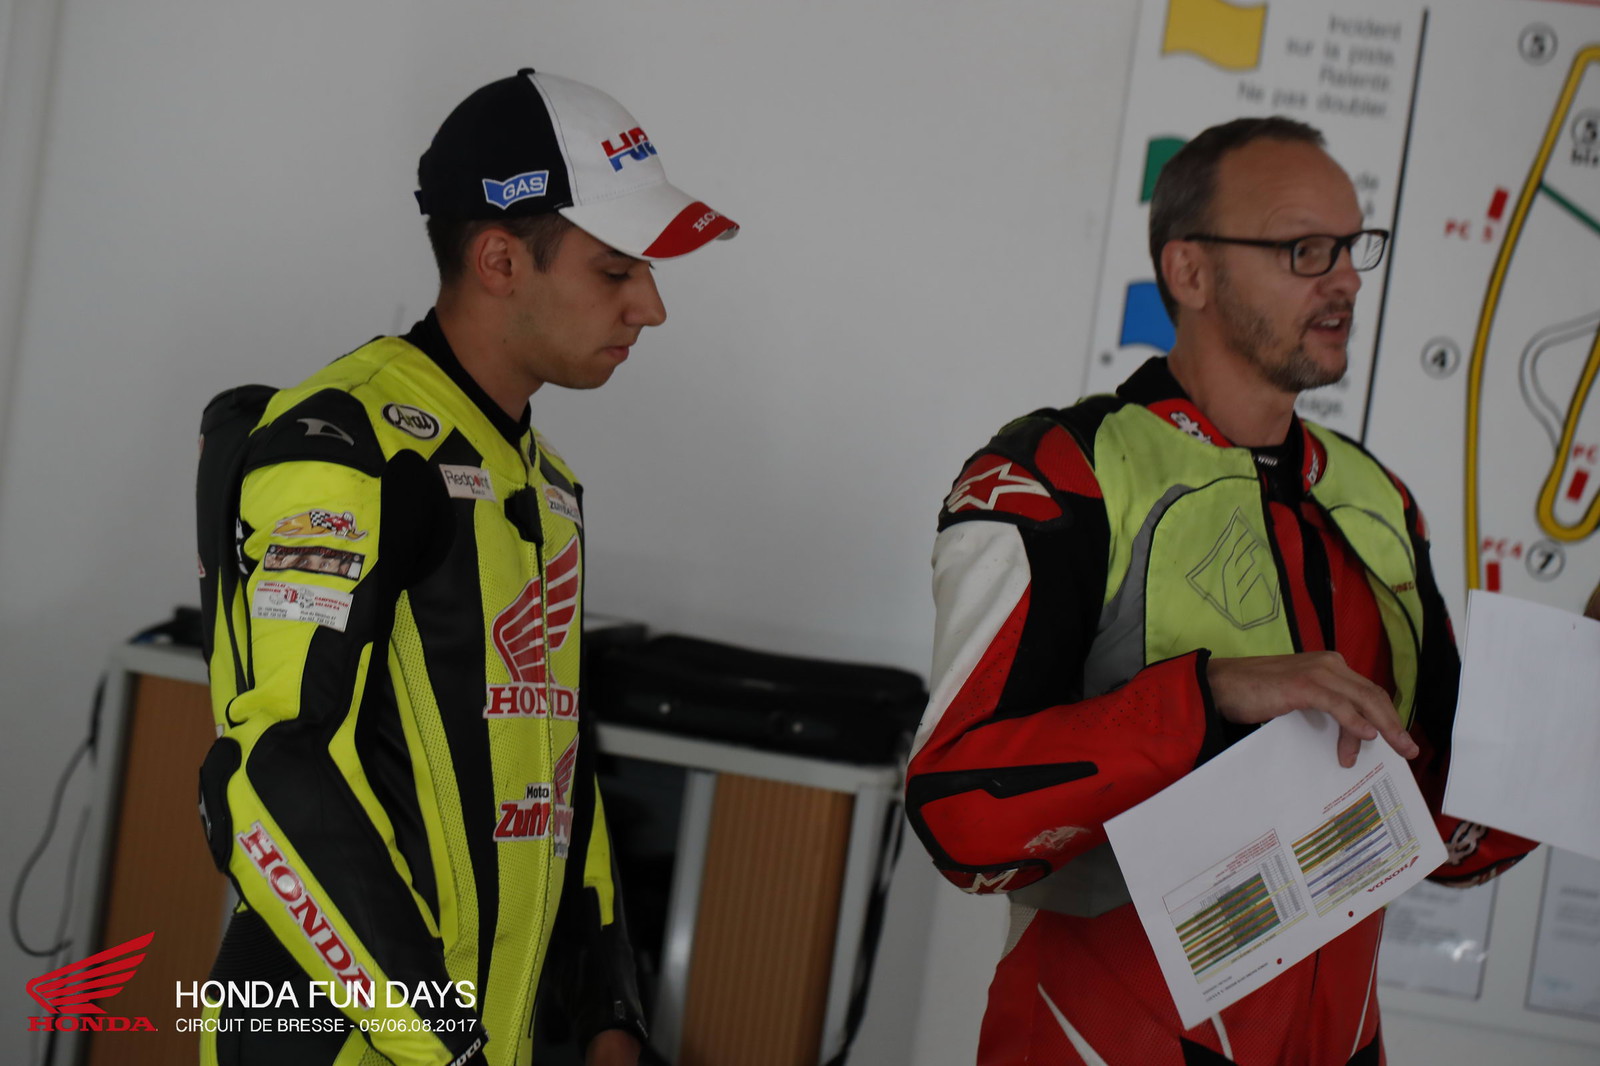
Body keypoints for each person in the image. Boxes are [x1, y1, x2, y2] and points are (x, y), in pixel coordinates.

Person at [903, 116, 1533, 1066]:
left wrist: (1577, 700)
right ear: (1190, 271)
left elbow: (1445, 828)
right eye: (1304, 249)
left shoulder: (1378, 499)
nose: (1347, 280)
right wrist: (1212, 695)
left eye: (1353, 246)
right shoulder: (1059, 472)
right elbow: (962, 816)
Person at [195, 68, 736, 1066]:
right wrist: (440, 1045)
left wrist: (608, 1008)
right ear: (498, 259)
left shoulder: (547, 483)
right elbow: (272, 773)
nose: (651, 307)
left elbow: (552, 758)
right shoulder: (348, 445)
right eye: (617, 271)